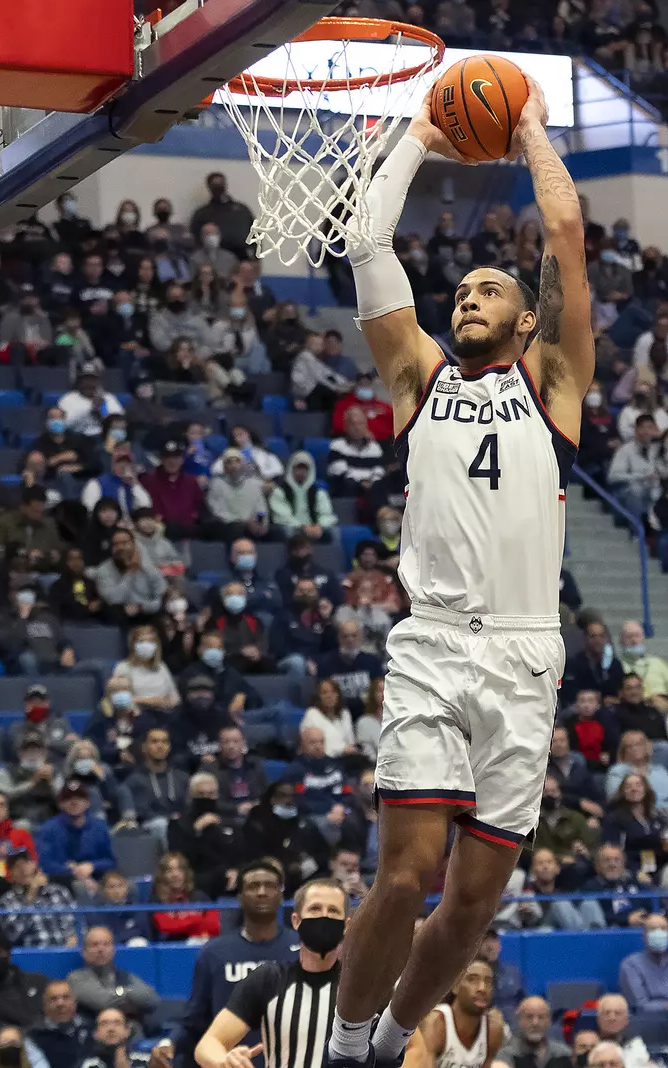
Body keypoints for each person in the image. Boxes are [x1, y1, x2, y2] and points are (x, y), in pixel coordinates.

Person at [324, 78, 594, 1068]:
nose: (466, 298)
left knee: (475, 898)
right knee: (405, 876)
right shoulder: (419, 380)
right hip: (435, 642)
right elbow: (365, 243)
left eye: (488, 291)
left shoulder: (554, 384)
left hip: (526, 655)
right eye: (461, 292)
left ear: (528, 323)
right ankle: (346, 1045)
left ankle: (396, 1038)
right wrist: (416, 136)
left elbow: (564, 235)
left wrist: (525, 127)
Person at [153, 860, 299, 1068]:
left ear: (281, 894)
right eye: (252, 886)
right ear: (239, 896)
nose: (261, 892)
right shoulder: (215, 953)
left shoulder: (302, 948)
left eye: (269, 885)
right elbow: (194, 1019)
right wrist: (169, 1043)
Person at [192, 876, 350, 1068]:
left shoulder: (363, 989)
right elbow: (208, 1044)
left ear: (347, 925)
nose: (324, 917)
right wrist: (224, 1061)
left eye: (333, 911)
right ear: (296, 921)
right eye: (315, 909)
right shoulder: (269, 979)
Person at [502, 997, 573, 1068]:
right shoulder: (506, 1056)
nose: (535, 1023)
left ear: (549, 1021)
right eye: (529, 1017)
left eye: (541, 1017)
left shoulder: (564, 1054)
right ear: (519, 1020)